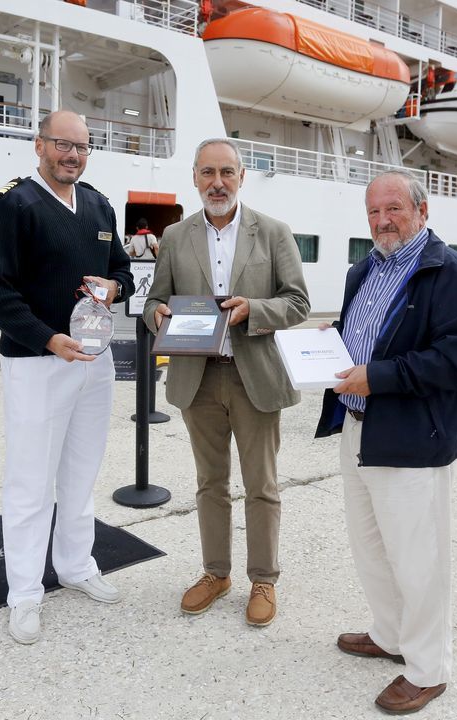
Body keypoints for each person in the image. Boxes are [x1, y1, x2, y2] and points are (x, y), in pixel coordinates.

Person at [314, 171, 457, 714]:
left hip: (414, 438)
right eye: (373, 212)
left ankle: (429, 669)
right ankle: (390, 636)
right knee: (371, 548)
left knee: (419, 559)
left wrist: (378, 377)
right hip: (359, 426)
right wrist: (331, 341)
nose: (382, 220)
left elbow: (452, 360)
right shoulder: (363, 268)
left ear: (422, 210)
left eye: (393, 208)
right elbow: (362, 331)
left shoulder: (455, 274)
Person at [0, 110, 135, 645]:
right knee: (30, 481)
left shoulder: (97, 203)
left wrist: (114, 290)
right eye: (63, 145)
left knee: (81, 471)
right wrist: (47, 339)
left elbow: (123, 272)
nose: (73, 155)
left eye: (82, 147)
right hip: (38, 361)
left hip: (93, 359)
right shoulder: (10, 206)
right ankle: (23, 591)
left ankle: (75, 563)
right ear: (39, 145)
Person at [143, 138, 309, 627]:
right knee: (209, 484)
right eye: (208, 173)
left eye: (227, 173)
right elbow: (154, 301)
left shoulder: (273, 232)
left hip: (252, 374)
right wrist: (161, 316)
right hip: (198, 378)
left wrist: (252, 309)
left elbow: (297, 302)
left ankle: (264, 578)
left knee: (261, 484)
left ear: (241, 177)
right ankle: (216, 573)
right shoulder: (175, 236)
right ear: (194, 178)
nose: (217, 183)